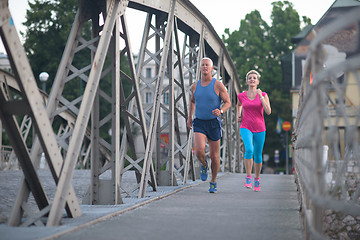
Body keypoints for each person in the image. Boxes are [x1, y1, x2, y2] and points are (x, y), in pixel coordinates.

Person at [187, 57, 231, 193]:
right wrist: (190, 117)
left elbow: (228, 102)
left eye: (207, 65)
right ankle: (204, 164)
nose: (205, 67)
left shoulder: (218, 85)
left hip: (213, 123)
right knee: (199, 150)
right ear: (200, 68)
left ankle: (213, 180)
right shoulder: (195, 86)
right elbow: (193, 101)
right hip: (199, 121)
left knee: (214, 156)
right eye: (202, 65)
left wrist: (221, 111)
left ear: (212, 69)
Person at [237, 70, 271, 192]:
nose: (252, 80)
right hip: (245, 126)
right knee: (249, 149)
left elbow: (268, 111)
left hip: (260, 128)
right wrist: (239, 114)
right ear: (247, 81)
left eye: (254, 78)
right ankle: (248, 177)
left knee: (257, 154)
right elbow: (239, 105)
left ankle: (257, 178)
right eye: (250, 78)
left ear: (258, 81)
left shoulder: (264, 95)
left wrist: (261, 96)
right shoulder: (241, 95)